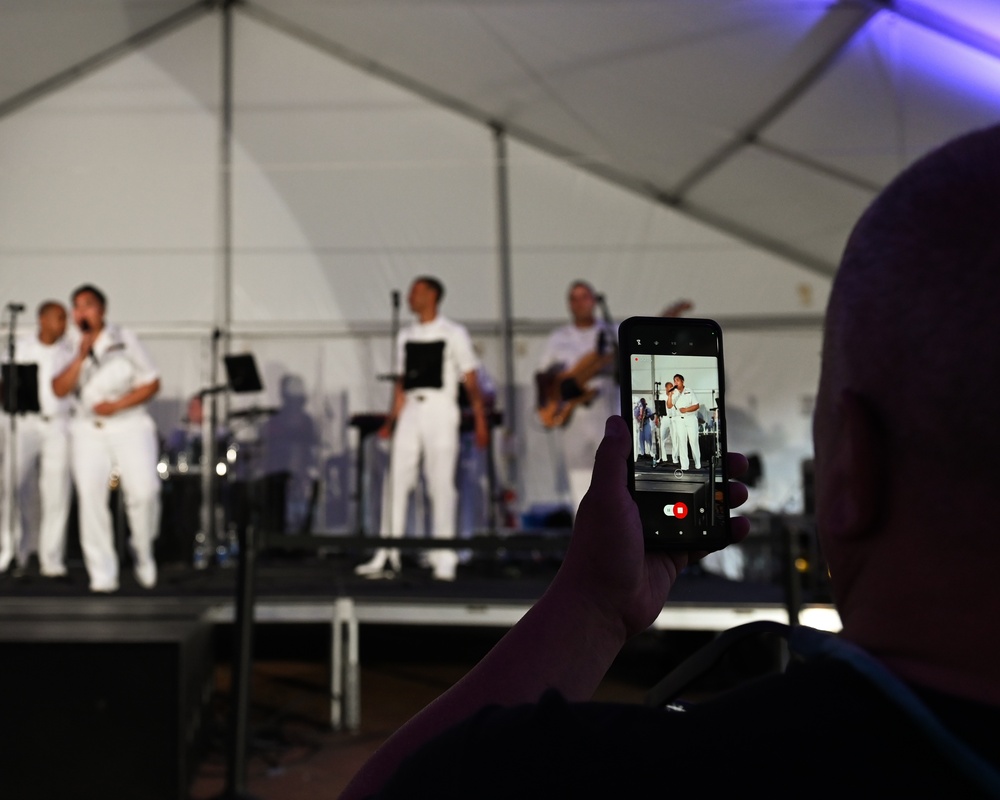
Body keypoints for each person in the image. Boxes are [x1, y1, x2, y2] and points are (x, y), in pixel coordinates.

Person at [341, 125, 1000, 798]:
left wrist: (592, 607)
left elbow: (403, 787)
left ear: (850, 467)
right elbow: (549, 389)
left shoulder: (675, 771)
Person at [355, 277, 489, 581]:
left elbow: (471, 378)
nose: (410, 297)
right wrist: (392, 420)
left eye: (416, 292)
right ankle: (387, 552)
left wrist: (480, 419)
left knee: (440, 483)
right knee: (397, 479)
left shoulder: (454, 333)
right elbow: (403, 381)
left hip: (441, 408)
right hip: (412, 409)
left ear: (432, 296)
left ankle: (444, 554)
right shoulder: (406, 335)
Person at [53, 284, 161, 593]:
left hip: (129, 425)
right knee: (91, 499)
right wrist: (80, 356)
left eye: (87, 305)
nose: (80, 312)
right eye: (76, 306)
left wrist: (117, 405)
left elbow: (152, 382)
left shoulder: (124, 339)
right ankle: (102, 573)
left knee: (144, 493)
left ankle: (142, 551)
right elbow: (59, 389)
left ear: (102, 310)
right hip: (88, 429)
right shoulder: (69, 345)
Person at [0, 301, 73, 577]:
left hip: (57, 424)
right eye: (58, 318)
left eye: (65, 319)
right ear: (42, 319)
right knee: (12, 486)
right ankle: (10, 550)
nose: (63, 324)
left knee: (56, 492)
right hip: (24, 423)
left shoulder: (70, 351)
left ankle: (51, 559)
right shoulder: (19, 347)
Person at [537, 280, 617, 512]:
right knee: (579, 475)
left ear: (594, 300)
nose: (580, 303)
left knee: (611, 471)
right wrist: (548, 401)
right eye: (574, 298)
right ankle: (583, 532)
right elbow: (543, 373)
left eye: (584, 297)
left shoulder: (611, 332)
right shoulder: (559, 337)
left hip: (604, 407)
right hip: (574, 414)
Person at [667, 373, 701, 471]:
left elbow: (696, 405)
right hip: (679, 420)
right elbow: (669, 406)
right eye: (674, 381)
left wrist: (686, 409)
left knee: (693, 441)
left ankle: (697, 463)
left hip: (690, 418)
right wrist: (669, 396)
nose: (675, 382)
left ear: (682, 381)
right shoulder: (674, 393)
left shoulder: (689, 391)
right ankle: (684, 466)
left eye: (677, 380)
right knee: (682, 441)